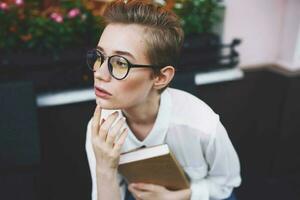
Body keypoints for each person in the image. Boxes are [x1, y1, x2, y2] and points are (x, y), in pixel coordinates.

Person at [85, 0, 241, 200]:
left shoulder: (201, 124)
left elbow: (227, 183)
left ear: (160, 77)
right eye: (99, 56)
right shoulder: (101, 130)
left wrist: (182, 196)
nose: (99, 73)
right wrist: (105, 168)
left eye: (120, 63)